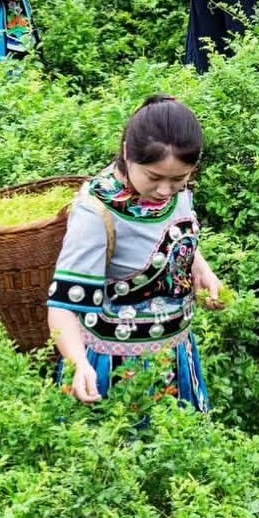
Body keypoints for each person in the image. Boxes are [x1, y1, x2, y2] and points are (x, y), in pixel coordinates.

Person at [47, 95, 224, 406]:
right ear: (128, 152)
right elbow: (62, 305)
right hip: (115, 367)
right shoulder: (97, 212)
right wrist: (79, 364)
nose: (165, 190)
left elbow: (175, 235)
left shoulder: (177, 192)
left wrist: (202, 270)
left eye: (179, 179)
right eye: (154, 177)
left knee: (179, 447)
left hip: (174, 357)